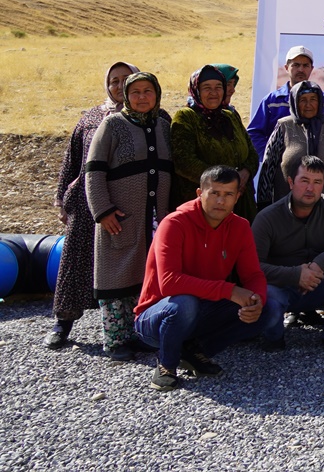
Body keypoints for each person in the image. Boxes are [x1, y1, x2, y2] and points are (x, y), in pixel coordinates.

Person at [134, 165, 266, 392]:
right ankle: (167, 364)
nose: (221, 201)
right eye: (214, 193)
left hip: (202, 309)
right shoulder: (174, 223)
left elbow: (253, 275)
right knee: (185, 303)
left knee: (266, 308)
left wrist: (257, 300)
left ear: (237, 197)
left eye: (228, 194)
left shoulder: (240, 226)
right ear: (200, 193)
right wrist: (230, 291)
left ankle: (194, 351)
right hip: (156, 316)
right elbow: (169, 283)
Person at [43, 61, 139, 349]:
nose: (119, 85)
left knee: (127, 265)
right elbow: (72, 160)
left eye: (126, 79)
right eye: (114, 80)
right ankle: (63, 323)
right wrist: (62, 199)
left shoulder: (151, 118)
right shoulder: (91, 118)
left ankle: (131, 329)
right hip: (87, 204)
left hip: (129, 205)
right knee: (74, 263)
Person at [85, 72, 172, 360]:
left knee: (145, 276)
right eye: (135, 92)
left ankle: (141, 334)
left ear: (157, 94)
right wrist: (102, 211)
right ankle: (115, 341)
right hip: (119, 217)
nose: (142, 97)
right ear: (125, 95)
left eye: (148, 91)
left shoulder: (163, 125)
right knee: (115, 277)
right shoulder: (112, 125)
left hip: (155, 218)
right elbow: (94, 171)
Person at [253, 156, 324, 354]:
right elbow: (253, 267)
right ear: (291, 182)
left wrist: (319, 263)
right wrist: (296, 275)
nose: (310, 188)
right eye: (304, 180)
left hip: (318, 284)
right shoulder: (268, 217)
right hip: (282, 288)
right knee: (267, 293)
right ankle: (273, 336)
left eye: (317, 182)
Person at [170, 65, 259, 220]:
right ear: (196, 90)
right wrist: (226, 182)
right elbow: (184, 162)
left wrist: (245, 173)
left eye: (218, 87)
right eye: (207, 88)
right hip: (208, 204)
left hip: (241, 201)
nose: (214, 92)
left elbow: (251, 153)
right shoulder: (186, 117)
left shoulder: (230, 115)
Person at [256, 81, 324, 208]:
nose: (308, 105)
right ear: (294, 102)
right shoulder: (283, 126)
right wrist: (263, 204)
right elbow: (268, 168)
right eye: (303, 100)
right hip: (286, 208)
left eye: (313, 99)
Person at [246, 45, 324, 158]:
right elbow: (254, 133)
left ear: (311, 69)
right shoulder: (272, 101)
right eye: (296, 65)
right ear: (286, 67)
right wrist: (272, 156)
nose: (301, 70)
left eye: (305, 65)